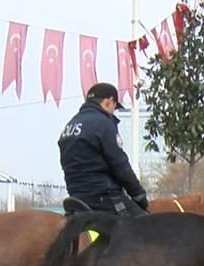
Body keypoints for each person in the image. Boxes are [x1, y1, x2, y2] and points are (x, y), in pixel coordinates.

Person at [58, 82, 149, 216]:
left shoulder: (69, 127)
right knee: (147, 228)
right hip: (104, 197)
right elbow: (120, 165)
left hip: (76, 199)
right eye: (114, 107)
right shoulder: (104, 123)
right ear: (108, 101)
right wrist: (139, 195)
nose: (113, 111)